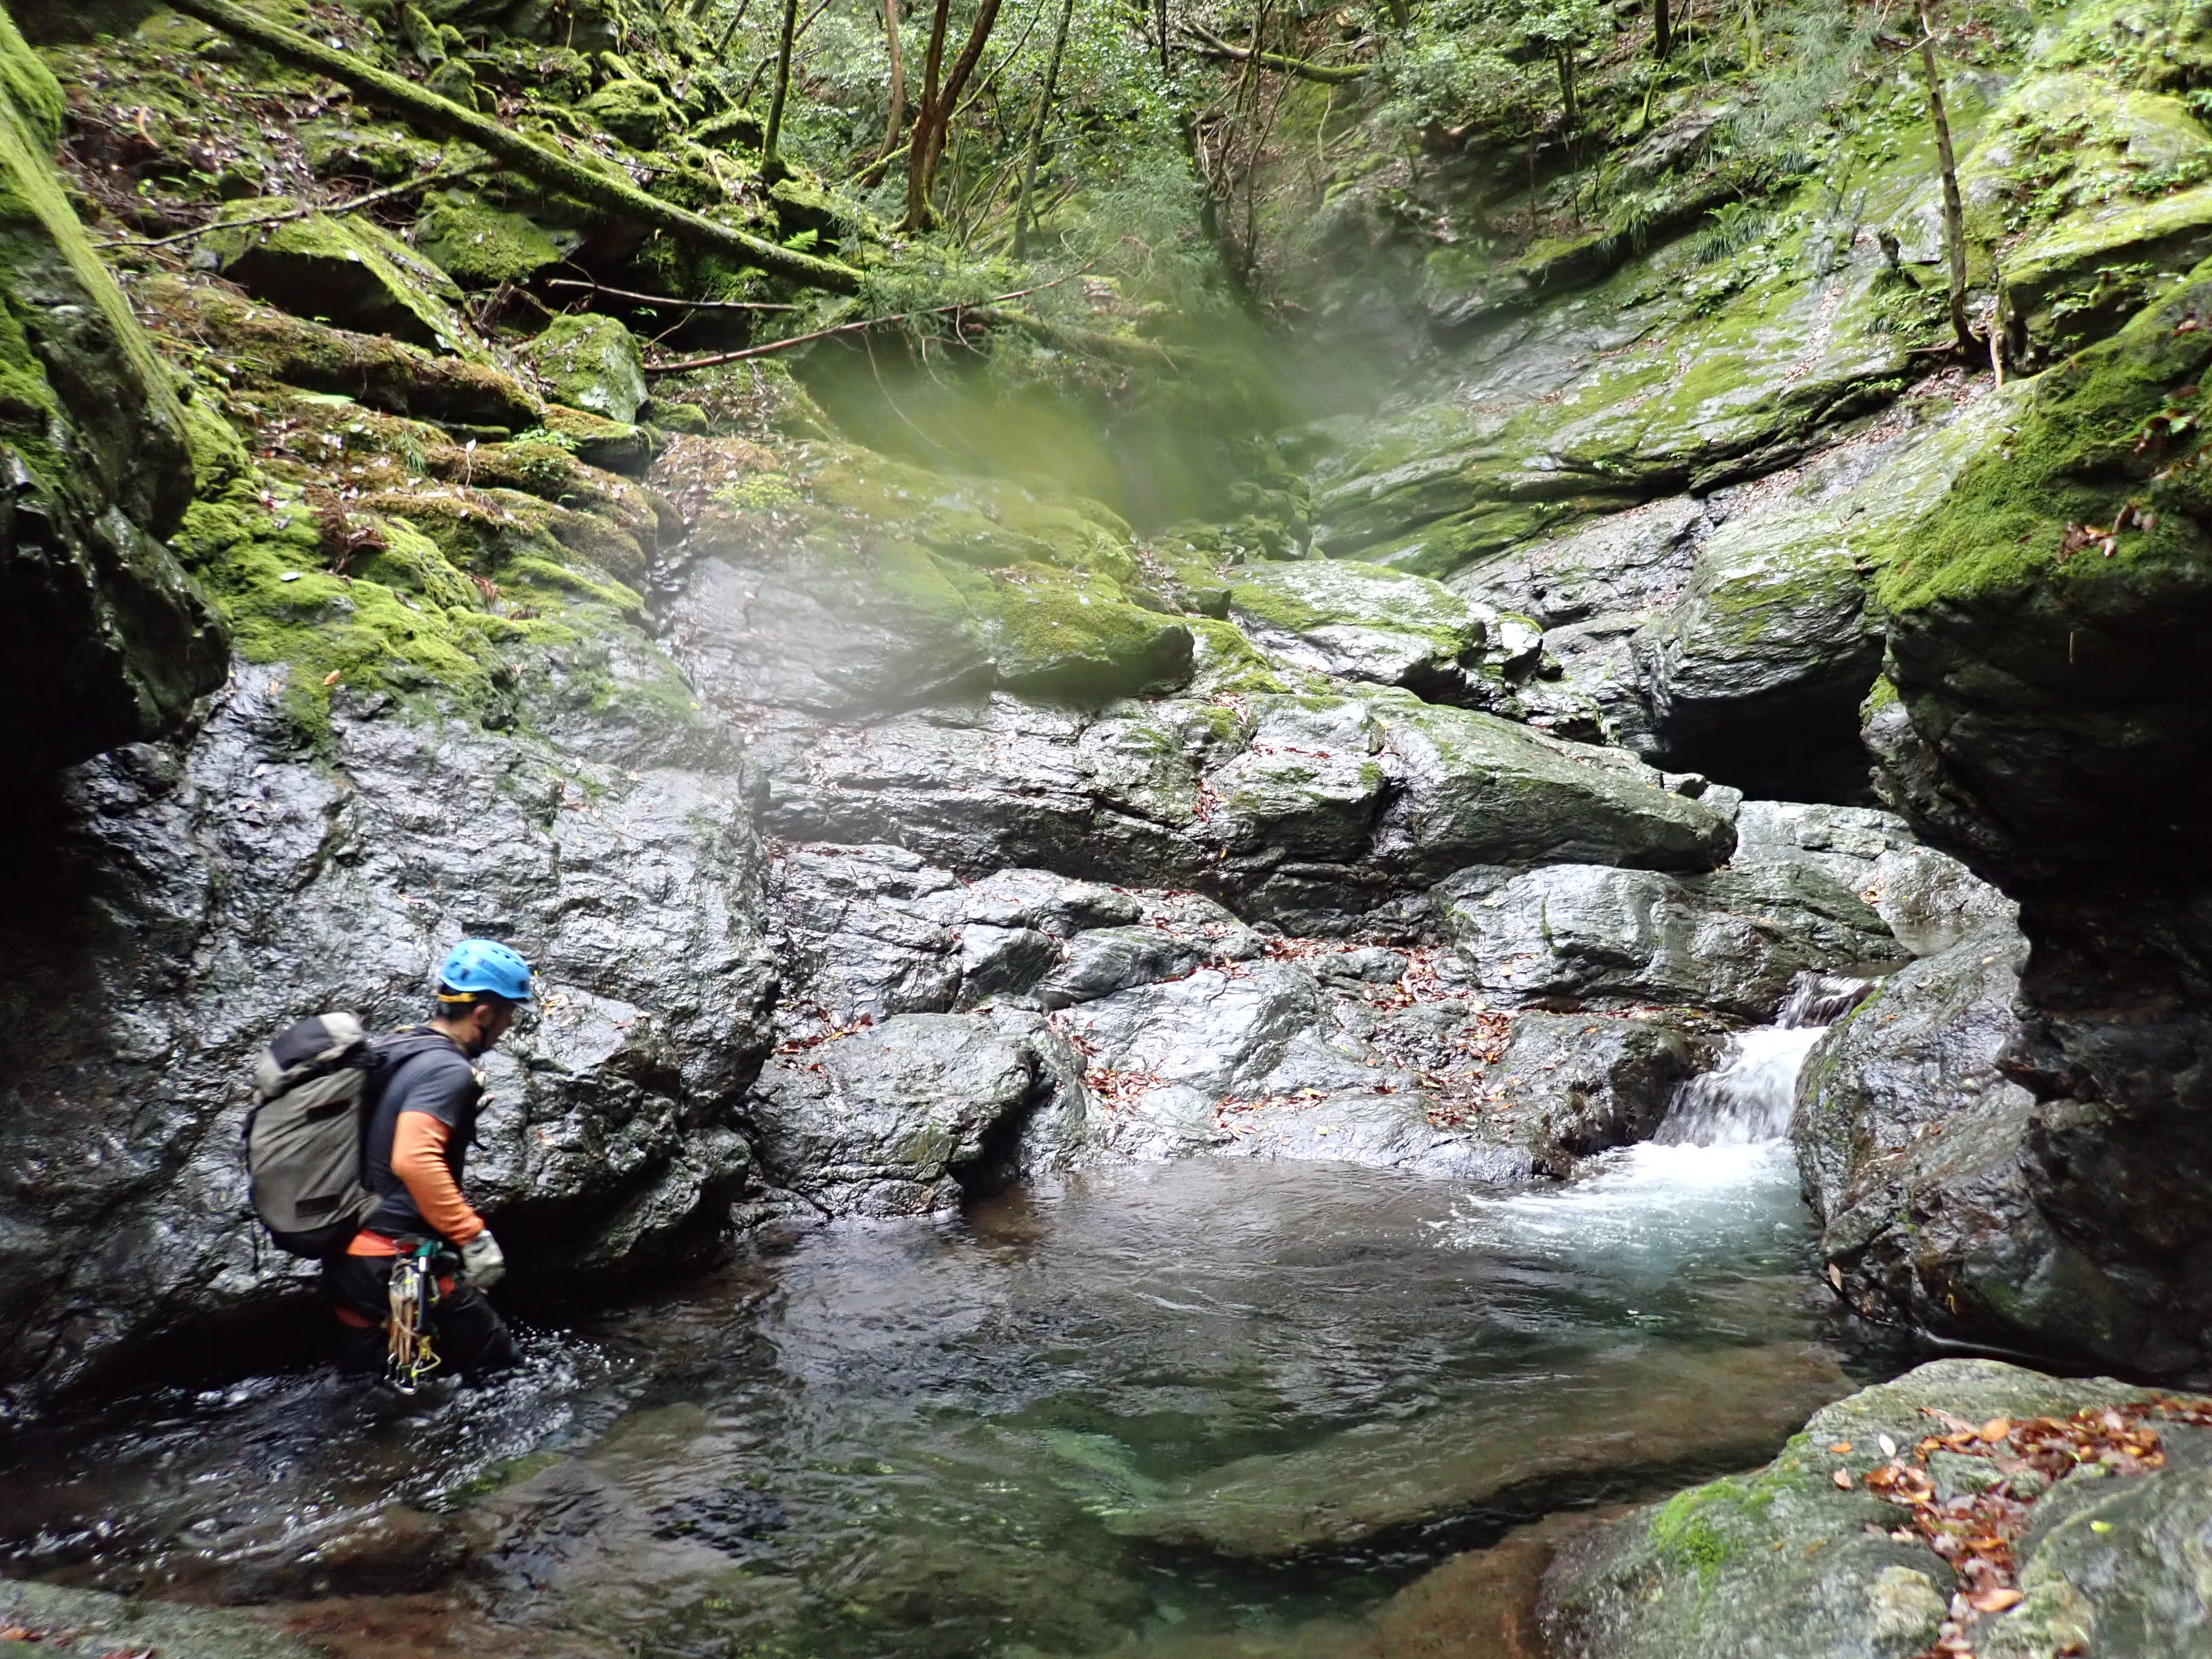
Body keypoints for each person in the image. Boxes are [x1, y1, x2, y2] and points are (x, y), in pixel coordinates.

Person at [326, 938, 534, 1383]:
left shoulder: (401, 1048)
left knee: (365, 1387)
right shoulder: (446, 1071)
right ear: (483, 1014)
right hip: (397, 1261)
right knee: (503, 1374)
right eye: (508, 1016)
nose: (507, 1027)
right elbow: (413, 1160)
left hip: (351, 1258)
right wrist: (472, 1236)